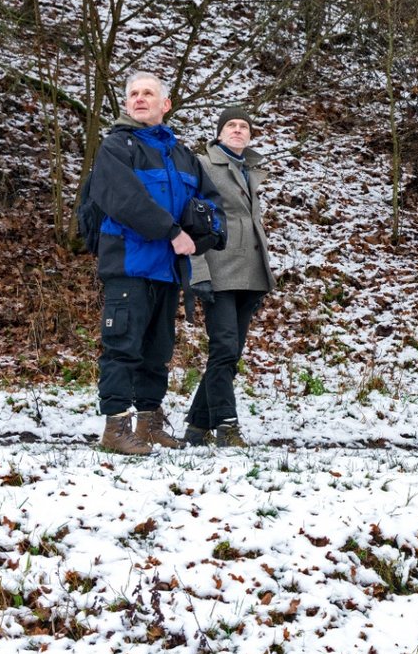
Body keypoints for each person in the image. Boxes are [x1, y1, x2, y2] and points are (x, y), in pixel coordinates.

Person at [86, 71, 222, 455]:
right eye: (133, 93)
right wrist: (172, 232)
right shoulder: (117, 147)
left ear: (166, 104)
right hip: (129, 265)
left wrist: (204, 233)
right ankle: (115, 428)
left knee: (157, 351)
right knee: (122, 347)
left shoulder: (181, 155)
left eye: (148, 93)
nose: (139, 98)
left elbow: (209, 202)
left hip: (167, 270)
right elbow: (126, 201)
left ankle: (147, 422)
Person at [183, 107, 276, 447]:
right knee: (222, 350)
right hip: (219, 271)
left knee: (231, 354)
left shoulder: (249, 168)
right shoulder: (203, 165)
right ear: (219, 133)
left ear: (250, 135)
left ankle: (196, 427)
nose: (237, 130)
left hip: (250, 274)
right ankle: (226, 426)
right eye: (231, 126)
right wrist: (199, 272)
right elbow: (190, 220)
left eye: (244, 126)